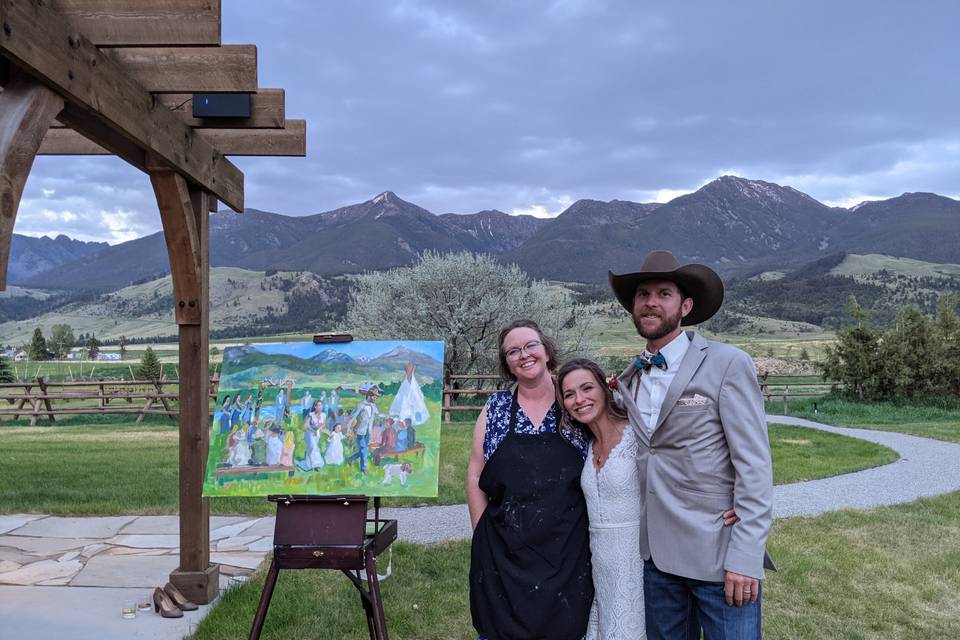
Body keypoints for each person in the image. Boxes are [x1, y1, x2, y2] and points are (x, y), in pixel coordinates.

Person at [608, 250, 774, 639]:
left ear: (685, 306)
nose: (651, 302)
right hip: (657, 563)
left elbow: (754, 465)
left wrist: (746, 556)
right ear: (633, 306)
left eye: (663, 293)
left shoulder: (727, 364)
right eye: (643, 294)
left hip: (719, 557)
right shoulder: (629, 379)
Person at [558, 358, 740, 640]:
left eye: (586, 388)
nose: (579, 399)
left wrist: (728, 501)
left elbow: (686, 464)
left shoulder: (638, 433)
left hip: (640, 560)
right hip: (602, 564)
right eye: (569, 394)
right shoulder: (581, 444)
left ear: (605, 389)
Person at [468, 319, 593, 640]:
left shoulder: (573, 401)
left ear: (547, 350)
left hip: (567, 554)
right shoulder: (495, 408)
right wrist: (481, 531)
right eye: (513, 351)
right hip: (503, 554)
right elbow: (476, 471)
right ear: (506, 363)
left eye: (530, 345)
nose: (524, 355)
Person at [345, 384, 381, 474]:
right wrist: (348, 429)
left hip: (368, 432)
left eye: (376, 397)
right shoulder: (360, 405)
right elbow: (352, 417)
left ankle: (351, 459)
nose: (375, 398)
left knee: (364, 450)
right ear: (369, 395)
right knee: (363, 449)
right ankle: (364, 468)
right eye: (374, 396)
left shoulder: (373, 406)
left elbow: (378, 415)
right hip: (360, 431)